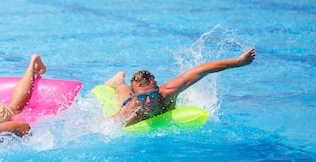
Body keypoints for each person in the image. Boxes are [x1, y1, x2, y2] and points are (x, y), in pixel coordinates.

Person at [104, 48, 256, 126]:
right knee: (123, 94)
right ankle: (118, 80)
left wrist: (238, 62)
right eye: (143, 97)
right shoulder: (131, 112)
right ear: (135, 97)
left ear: (158, 89)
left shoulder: (168, 92)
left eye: (153, 94)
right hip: (128, 102)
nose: (149, 101)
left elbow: (202, 70)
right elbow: (103, 128)